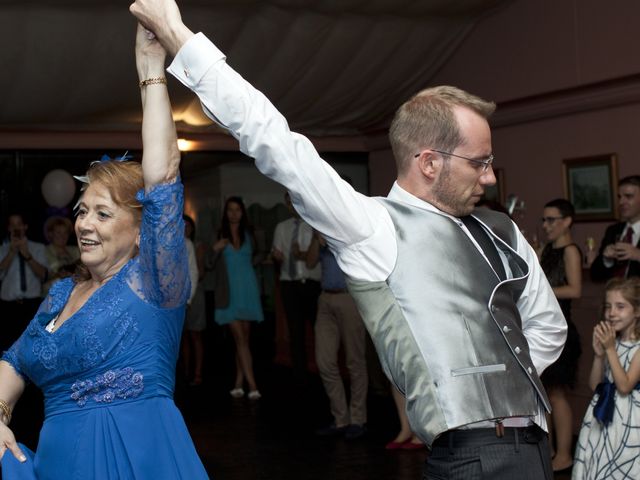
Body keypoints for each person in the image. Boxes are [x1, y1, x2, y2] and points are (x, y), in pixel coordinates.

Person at [129, 2, 567, 478]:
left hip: (534, 448)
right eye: (478, 163)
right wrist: (176, 33)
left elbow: (548, 327)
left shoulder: (502, 231)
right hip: (472, 454)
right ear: (429, 162)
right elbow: (271, 137)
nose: (487, 178)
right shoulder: (373, 227)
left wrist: (507, 388)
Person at [0, 25, 208, 478]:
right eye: (82, 211)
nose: (84, 224)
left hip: (134, 461)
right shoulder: (58, 296)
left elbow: (164, 176)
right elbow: (14, 360)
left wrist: (151, 70)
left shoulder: (154, 282)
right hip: (59, 465)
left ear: (140, 232)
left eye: (103, 214)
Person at [572, 277, 640, 479]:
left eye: (620, 307)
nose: (611, 313)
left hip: (629, 417)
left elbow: (625, 385)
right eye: (608, 306)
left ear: (637, 311)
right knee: (599, 463)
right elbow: (596, 385)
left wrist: (610, 349)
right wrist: (599, 355)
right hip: (603, 415)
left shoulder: (638, 348)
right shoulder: (613, 342)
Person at [306, 230, 368, 440]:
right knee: (324, 362)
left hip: (349, 298)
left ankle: (357, 419)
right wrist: (316, 238)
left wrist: (334, 238)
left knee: (354, 361)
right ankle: (341, 418)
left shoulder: (347, 228)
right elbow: (309, 262)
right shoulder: (319, 229)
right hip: (325, 299)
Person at [538, 199, 582, 473]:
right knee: (545, 395)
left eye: (551, 219)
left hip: (563, 330)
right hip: (545, 328)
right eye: (544, 220)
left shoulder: (570, 251)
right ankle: (550, 451)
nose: (546, 225)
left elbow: (575, 290)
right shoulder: (545, 249)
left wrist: (543, 290)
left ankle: (565, 454)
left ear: (567, 222)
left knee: (557, 395)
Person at [213, 196, 264, 399]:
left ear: (242, 212)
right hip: (229, 292)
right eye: (230, 210)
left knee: (242, 341)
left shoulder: (249, 234)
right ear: (226, 213)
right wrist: (215, 249)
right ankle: (253, 386)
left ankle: (238, 383)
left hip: (248, 290)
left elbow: (259, 254)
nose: (234, 213)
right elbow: (208, 263)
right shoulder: (219, 234)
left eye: (237, 210)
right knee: (240, 339)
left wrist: (254, 262)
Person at [271, 192, 321, 384]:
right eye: (289, 203)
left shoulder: (314, 225)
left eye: (295, 201)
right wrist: (277, 256)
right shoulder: (281, 227)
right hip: (289, 284)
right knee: (295, 330)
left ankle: (321, 370)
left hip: (311, 284)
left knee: (319, 330)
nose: (292, 206)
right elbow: (277, 253)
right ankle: (299, 375)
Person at [0, 213, 48, 353]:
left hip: (31, 306)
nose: (16, 228)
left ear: (25, 226)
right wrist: (11, 253)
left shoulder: (38, 248)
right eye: (12, 225)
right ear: (9, 228)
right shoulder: (2, 249)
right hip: (7, 308)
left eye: (19, 224)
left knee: (31, 350)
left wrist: (26, 254)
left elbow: (44, 275)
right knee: (7, 349)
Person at [591, 175, 640, 281]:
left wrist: (638, 255)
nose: (621, 202)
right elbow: (595, 276)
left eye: (628, 196)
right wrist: (607, 260)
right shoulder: (613, 231)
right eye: (619, 197)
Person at [182, 214, 207, 386]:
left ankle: (197, 372)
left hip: (193, 296)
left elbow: (196, 272)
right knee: (182, 337)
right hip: (177, 298)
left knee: (195, 335)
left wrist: (188, 299)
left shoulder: (193, 245)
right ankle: (185, 371)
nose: (185, 229)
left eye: (188, 226)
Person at [42, 216, 80, 295]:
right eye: (58, 232)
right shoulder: (43, 251)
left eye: (65, 232)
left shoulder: (76, 250)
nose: (62, 236)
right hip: (50, 295)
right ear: (50, 234)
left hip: (74, 294)